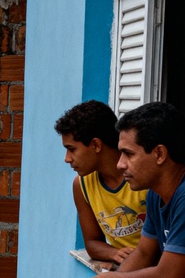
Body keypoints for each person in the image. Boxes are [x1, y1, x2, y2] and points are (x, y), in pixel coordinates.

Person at [82, 102, 185, 278]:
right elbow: (143, 255)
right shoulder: (157, 192)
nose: (120, 164)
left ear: (159, 154)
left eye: (129, 154)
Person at [54, 100, 147, 266]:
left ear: (96, 145)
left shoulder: (144, 177)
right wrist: (116, 253)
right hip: (128, 270)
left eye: (72, 149)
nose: (67, 159)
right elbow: (92, 243)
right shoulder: (82, 186)